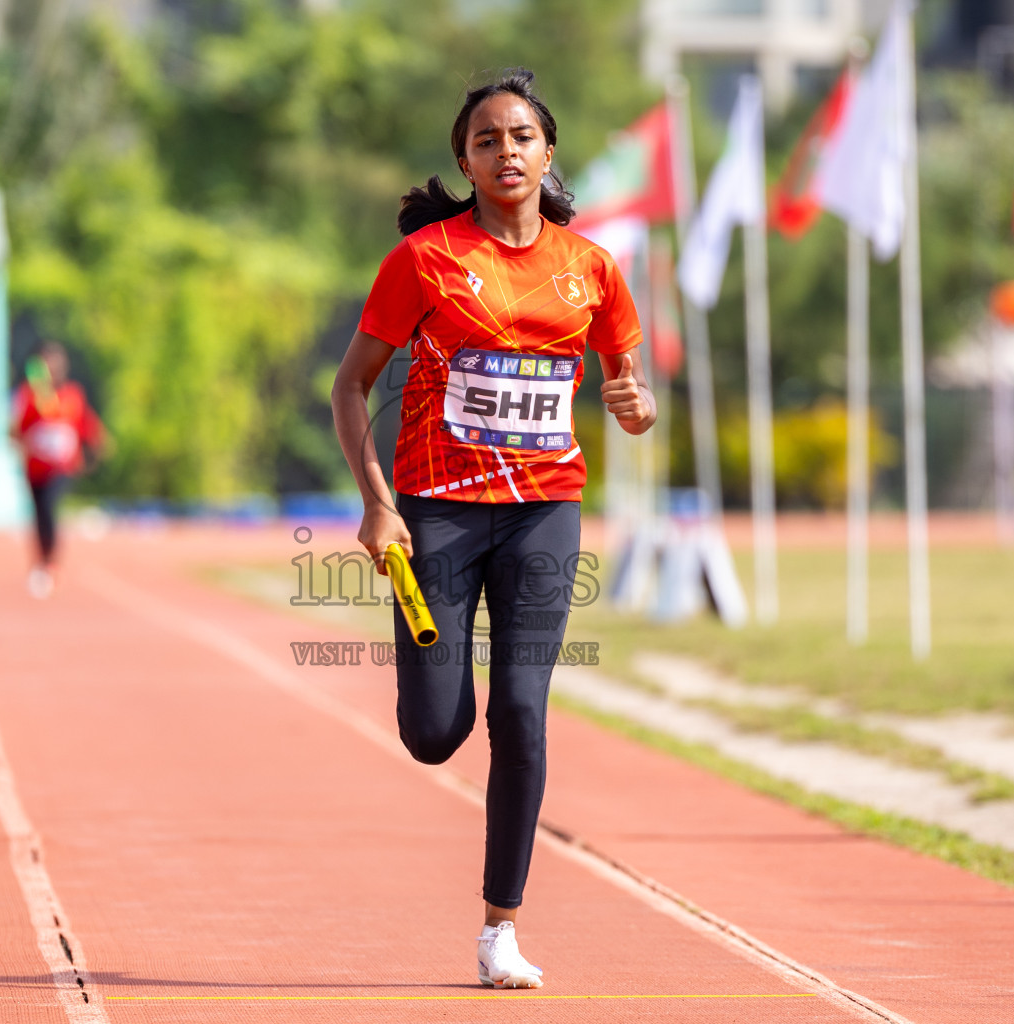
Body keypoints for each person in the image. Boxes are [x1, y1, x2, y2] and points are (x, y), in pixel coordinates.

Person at [330, 69, 656, 989]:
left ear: (547, 154)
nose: (504, 150)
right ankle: (443, 693)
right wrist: (376, 501)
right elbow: (350, 385)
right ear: (464, 162)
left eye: (520, 136)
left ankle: (499, 929)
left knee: (522, 711)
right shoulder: (426, 260)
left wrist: (635, 405)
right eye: (486, 139)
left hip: (544, 513)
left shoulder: (591, 269)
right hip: (434, 512)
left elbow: (631, 394)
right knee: (436, 734)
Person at [10, 340, 107, 599]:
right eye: (46, 362)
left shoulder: (73, 396)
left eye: (56, 362)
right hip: (35, 469)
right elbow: (17, 432)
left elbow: (86, 424)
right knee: (40, 515)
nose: (52, 367)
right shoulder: (30, 397)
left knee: (51, 509)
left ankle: (51, 564)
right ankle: (41, 561)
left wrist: (97, 446)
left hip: (62, 468)